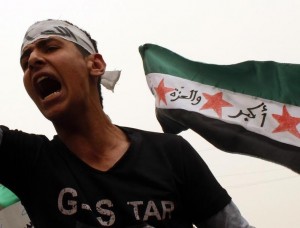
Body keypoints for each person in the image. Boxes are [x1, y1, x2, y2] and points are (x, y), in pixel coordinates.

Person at [0, 19, 253, 228]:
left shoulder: (171, 153)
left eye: (50, 47)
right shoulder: (29, 161)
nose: (33, 60)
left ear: (96, 64)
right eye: (25, 62)